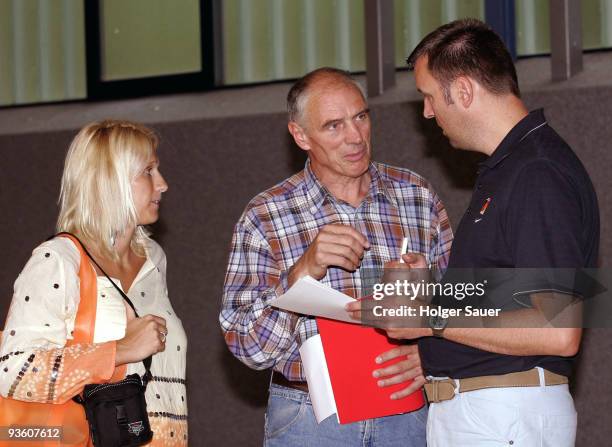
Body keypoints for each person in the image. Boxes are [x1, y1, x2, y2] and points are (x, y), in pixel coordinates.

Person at [348, 19, 599, 446]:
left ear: (463, 91)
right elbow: (512, 297)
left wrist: (428, 315)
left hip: (503, 417)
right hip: (487, 414)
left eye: (429, 97)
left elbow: (559, 329)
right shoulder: (508, 170)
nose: (427, 112)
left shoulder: (537, 172)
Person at [220, 67, 453, 446]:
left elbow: (462, 303)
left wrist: (431, 352)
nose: (355, 136)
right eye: (333, 126)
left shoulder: (416, 196)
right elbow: (248, 347)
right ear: (301, 135)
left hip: (405, 408)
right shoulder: (265, 215)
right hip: (309, 414)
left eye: (361, 117)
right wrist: (302, 273)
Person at [0, 120, 188, 445]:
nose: (163, 184)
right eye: (148, 171)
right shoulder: (58, 260)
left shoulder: (153, 258)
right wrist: (120, 350)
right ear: (110, 182)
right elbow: (12, 369)